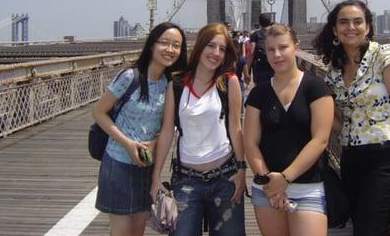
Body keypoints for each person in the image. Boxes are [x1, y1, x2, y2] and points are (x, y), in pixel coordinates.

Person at [313, 0, 390, 236]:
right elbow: (342, 124)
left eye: (357, 21)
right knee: (365, 226)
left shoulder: (385, 57)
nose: (350, 27)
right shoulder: (334, 71)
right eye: (343, 22)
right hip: (351, 158)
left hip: (386, 157)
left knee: (369, 229)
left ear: (368, 26)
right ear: (334, 29)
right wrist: (316, 108)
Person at [150, 23, 247, 236]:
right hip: (186, 180)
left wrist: (241, 170)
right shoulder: (176, 84)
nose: (216, 53)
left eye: (222, 49)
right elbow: (167, 131)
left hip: (225, 177)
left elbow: (235, 126)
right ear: (200, 46)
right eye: (211, 46)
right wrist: (155, 177)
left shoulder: (228, 82)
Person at [92, 22, 188, 236]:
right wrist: (127, 143)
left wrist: (153, 144)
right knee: (121, 231)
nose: (170, 49)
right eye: (164, 43)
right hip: (118, 163)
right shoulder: (129, 77)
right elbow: (98, 113)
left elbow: (167, 126)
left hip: (146, 167)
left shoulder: (169, 83)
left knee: (137, 231)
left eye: (176, 45)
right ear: (152, 45)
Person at [244, 23, 335, 236]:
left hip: (307, 187)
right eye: (270, 49)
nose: (277, 54)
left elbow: (320, 139)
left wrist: (284, 179)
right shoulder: (259, 93)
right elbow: (250, 142)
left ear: (296, 47)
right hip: (267, 190)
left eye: (283, 47)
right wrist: (269, 182)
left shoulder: (315, 87)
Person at [248, 13, 274, 85]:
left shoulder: (255, 34)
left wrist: (247, 69)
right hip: (273, 64)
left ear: (259, 22)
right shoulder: (274, 34)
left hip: (259, 67)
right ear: (270, 21)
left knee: (259, 88)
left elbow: (251, 52)